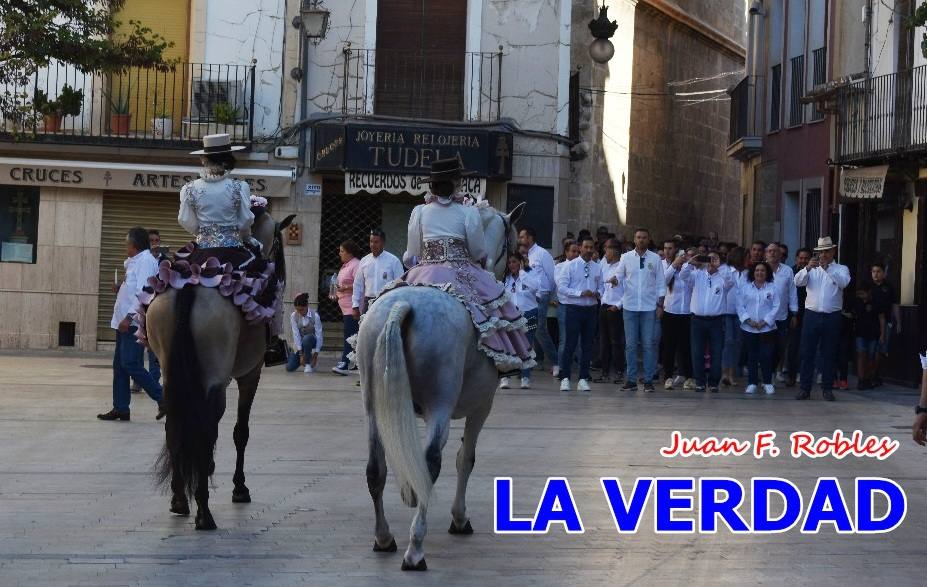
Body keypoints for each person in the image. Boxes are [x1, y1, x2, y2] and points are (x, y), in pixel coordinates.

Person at [402, 156, 535, 373]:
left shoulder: (419, 212)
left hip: (423, 272)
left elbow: (411, 255)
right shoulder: (468, 212)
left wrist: (418, 261)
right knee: (493, 310)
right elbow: (478, 252)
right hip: (459, 270)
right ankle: (501, 362)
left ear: (432, 186)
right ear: (457, 184)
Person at [97, 227, 164, 421]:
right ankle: (121, 408)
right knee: (120, 365)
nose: (125, 247)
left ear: (134, 245)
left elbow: (144, 292)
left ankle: (163, 398)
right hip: (123, 321)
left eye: (127, 243)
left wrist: (128, 318)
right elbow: (133, 287)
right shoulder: (135, 261)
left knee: (130, 363)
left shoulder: (146, 261)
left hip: (133, 322)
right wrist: (121, 288)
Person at [794, 237, 851, 401]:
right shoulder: (812, 268)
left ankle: (827, 388)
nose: (823, 255)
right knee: (807, 353)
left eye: (827, 251)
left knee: (829, 353)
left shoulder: (841, 269)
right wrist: (806, 268)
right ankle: (805, 388)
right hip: (811, 315)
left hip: (832, 316)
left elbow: (844, 283)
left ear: (833, 252)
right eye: (821, 252)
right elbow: (797, 282)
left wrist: (827, 269)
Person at [616, 228, 665, 392]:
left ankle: (648, 380)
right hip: (630, 306)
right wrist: (614, 280)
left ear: (648, 239)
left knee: (648, 345)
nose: (641, 240)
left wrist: (660, 305)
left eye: (644, 237)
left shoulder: (655, 258)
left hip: (649, 307)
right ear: (634, 239)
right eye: (638, 237)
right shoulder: (626, 257)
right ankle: (631, 380)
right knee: (630, 345)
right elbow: (619, 275)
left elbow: (660, 283)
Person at [680, 251, 734, 392]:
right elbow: (683, 275)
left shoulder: (723, 277)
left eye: (714, 258)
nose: (711, 261)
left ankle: (714, 383)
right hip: (697, 320)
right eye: (709, 258)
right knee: (697, 352)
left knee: (717, 352)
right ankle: (700, 382)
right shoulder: (697, 274)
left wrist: (720, 266)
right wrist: (690, 262)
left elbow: (731, 281)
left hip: (716, 321)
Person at [556, 236, 602, 393]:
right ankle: (565, 378)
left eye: (591, 247)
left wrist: (598, 293)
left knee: (587, 345)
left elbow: (602, 286)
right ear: (580, 248)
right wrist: (579, 293)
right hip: (574, 308)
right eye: (586, 247)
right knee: (570, 344)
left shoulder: (597, 267)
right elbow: (561, 287)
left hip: (591, 310)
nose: (589, 250)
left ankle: (583, 378)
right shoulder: (570, 266)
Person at [519, 227, 558, 375]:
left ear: (530, 238)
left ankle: (557, 361)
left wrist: (547, 295)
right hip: (527, 298)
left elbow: (552, 276)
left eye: (522, 237)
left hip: (541, 296)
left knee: (540, 330)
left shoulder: (542, 253)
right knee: (530, 329)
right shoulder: (523, 255)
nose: (519, 240)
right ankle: (535, 361)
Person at [738, 261, 780, 395]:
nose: (759, 273)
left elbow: (776, 306)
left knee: (766, 356)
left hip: (767, 329)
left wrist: (765, 321)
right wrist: (748, 320)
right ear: (753, 272)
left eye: (762, 270)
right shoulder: (746, 288)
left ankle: (767, 383)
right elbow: (739, 306)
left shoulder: (773, 288)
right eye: (757, 270)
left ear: (767, 273)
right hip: (749, 328)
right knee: (752, 356)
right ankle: (752, 383)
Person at [501, 252, 542, 390]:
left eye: (514, 262)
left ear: (520, 262)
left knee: (526, 346)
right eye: (509, 262)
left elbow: (535, 287)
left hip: (528, 313)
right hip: (510, 315)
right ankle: (505, 376)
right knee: (508, 346)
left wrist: (522, 272)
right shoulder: (505, 279)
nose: (512, 265)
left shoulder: (529, 274)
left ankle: (525, 376)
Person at [661, 239, 694, 390]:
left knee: (686, 347)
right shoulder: (663, 265)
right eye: (665, 248)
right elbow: (662, 282)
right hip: (670, 311)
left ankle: (688, 377)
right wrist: (673, 266)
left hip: (686, 312)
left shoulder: (688, 267)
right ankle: (667, 376)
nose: (667, 251)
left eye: (670, 248)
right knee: (669, 346)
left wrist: (685, 265)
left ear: (676, 250)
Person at [351, 228, 404, 320]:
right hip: (368, 303)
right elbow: (358, 284)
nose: (372, 245)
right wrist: (355, 305)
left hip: (387, 302)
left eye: (376, 242)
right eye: (371, 241)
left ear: (383, 243)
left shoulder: (393, 261)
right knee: (366, 329)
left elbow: (400, 285)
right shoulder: (364, 261)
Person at [764, 242, 798, 383]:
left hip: (781, 317)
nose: (772, 253)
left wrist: (794, 313)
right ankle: (766, 377)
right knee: (766, 349)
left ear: (780, 254)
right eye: (770, 251)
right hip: (763, 317)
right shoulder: (760, 269)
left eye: (775, 251)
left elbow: (792, 292)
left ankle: (772, 373)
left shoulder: (787, 271)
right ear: (766, 254)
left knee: (779, 348)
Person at [597, 239, 625, 384]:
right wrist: (601, 297)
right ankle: (605, 372)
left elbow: (629, 290)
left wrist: (618, 306)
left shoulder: (623, 267)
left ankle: (619, 372)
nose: (605, 252)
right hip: (604, 306)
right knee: (604, 341)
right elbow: (602, 285)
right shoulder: (605, 266)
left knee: (616, 342)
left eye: (606, 249)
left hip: (616, 308)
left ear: (614, 250)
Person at [332, 240, 361, 375]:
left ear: (350, 252)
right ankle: (354, 363)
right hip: (345, 307)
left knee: (349, 335)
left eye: (342, 251)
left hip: (352, 307)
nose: (340, 253)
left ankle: (345, 362)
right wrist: (336, 294)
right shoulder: (345, 266)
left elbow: (359, 284)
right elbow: (340, 284)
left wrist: (346, 288)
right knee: (352, 335)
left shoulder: (356, 264)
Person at [869, 262, 901, 386]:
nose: (875, 274)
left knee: (881, 349)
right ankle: (869, 375)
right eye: (873, 271)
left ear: (883, 273)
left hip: (886, 321)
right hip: (870, 322)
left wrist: (898, 321)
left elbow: (895, 305)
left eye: (878, 271)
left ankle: (875, 374)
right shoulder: (868, 287)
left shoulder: (889, 287)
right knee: (870, 350)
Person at [554, 239, 581, 377]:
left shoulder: (583, 266)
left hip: (580, 306)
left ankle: (582, 369)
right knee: (564, 339)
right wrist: (579, 293)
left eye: (578, 251)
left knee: (580, 340)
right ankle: (562, 368)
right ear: (566, 252)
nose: (576, 254)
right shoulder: (559, 267)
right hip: (565, 306)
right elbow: (562, 287)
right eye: (573, 251)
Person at [721, 246, 747, 387]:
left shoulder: (748, 273)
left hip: (741, 313)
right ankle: (724, 373)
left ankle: (732, 373)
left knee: (737, 343)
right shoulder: (725, 270)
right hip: (726, 311)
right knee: (728, 342)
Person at [786, 247, 812, 386]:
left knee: (807, 347)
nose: (803, 260)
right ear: (796, 259)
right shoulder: (790, 272)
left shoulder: (814, 272)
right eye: (801, 258)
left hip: (810, 314)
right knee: (793, 347)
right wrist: (793, 314)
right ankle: (791, 375)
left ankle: (804, 375)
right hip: (794, 315)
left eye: (806, 258)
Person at [852, 283, 885, 390]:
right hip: (860, 333)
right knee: (861, 355)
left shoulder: (876, 302)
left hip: (873, 334)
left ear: (869, 292)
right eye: (859, 294)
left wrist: (882, 334)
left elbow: (881, 318)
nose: (861, 296)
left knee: (871, 357)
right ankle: (861, 380)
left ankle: (867, 378)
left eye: (862, 293)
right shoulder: (857, 301)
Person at [286, 293, 323, 373]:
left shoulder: (315, 316)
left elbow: (319, 336)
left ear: (307, 306)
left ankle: (308, 364)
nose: (299, 312)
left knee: (307, 338)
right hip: (301, 343)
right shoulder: (294, 316)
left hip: (312, 341)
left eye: (302, 309)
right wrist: (300, 354)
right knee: (289, 367)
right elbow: (296, 334)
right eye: (297, 310)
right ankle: (304, 356)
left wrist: (316, 355)